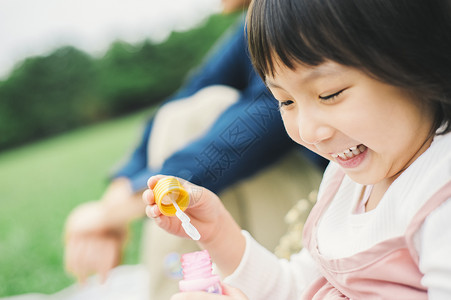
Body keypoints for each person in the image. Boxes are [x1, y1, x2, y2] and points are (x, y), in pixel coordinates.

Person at [143, 0, 451, 299]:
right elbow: (297, 287)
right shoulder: (345, 181)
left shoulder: (439, 195)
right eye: (286, 101)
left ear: (416, 59)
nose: (307, 131)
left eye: (329, 94)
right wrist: (218, 234)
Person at [64, 0, 326, 297]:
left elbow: (261, 124)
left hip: (330, 203)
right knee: (184, 111)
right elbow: (181, 98)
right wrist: (115, 198)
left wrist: (116, 212)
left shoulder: (309, 11)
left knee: (202, 112)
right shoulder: (256, 23)